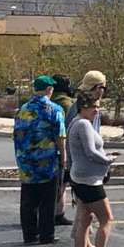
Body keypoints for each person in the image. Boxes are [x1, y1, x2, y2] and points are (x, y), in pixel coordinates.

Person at [67, 96, 119, 247]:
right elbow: (90, 152)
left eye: (97, 107)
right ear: (82, 107)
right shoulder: (83, 124)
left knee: (85, 218)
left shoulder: (76, 122)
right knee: (106, 219)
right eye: (92, 107)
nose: (96, 110)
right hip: (89, 180)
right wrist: (107, 160)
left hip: (79, 177)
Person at [13, 75, 67, 245]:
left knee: (28, 199)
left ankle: (29, 234)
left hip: (26, 160)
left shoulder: (22, 109)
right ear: (49, 90)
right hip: (47, 161)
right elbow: (60, 137)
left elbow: (16, 135)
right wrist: (63, 158)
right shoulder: (54, 109)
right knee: (47, 199)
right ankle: (46, 234)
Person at [51, 75, 76, 227]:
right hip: (63, 148)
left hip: (46, 149)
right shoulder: (68, 105)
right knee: (63, 183)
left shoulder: (48, 101)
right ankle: (58, 213)